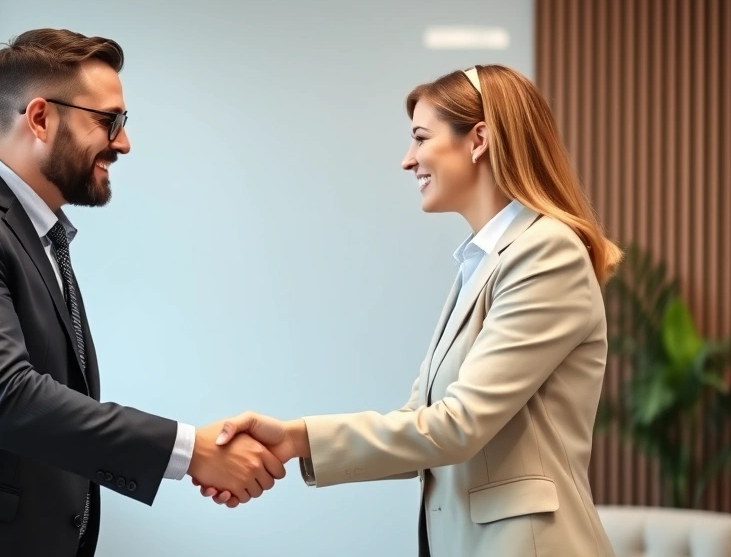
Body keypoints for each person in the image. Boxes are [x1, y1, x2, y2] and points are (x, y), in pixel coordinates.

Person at [0, 28, 288, 557]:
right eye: (109, 121)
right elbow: (6, 400)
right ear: (39, 118)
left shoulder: (37, 233)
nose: (122, 142)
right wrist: (191, 451)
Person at [195, 65, 622, 557]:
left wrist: (298, 438)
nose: (407, 160)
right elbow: (422, 420)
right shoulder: (482, 262)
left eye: (420, 138)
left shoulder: (545, 252)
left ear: (479, 139)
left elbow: (456, 428)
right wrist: (294, 439)